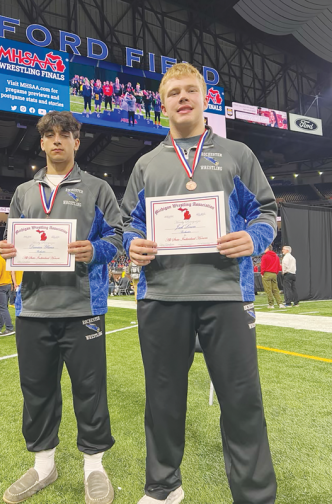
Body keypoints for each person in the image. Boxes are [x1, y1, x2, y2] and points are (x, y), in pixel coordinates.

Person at [121, 62, 277, 504]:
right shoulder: (147, 164)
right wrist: (133, 245)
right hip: (161, 295)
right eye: (174, 92)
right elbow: (130, 225)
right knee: (163, 400)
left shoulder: (237, 154)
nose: (183, 97)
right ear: (163, 103)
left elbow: (266, 212)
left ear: (204, 98)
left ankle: (255, 497)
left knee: (242, 402)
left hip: (226, 294)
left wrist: (253, 237)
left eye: (191, 90)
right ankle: (163, 488)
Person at [0, 111, 122, 504]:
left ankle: (94, 466)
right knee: (36, 389)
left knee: (90, 389)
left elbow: (117, 236)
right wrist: (5, 249)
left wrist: (95, 249)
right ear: (41, 143)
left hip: (82, 304)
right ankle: (43, 464)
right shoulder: (23, 192)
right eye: (49, 135)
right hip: (33, 307)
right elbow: (11, 240)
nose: (56, 141)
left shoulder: (98, 188)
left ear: (76, 142)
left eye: (64, 135)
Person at [261, 245, 285, 309]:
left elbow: (263, 266)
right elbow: (278, 266)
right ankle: (280, 303)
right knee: (275, 289)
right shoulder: (276, 257)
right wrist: (276, 272)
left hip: (267, 273)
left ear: (268, 248)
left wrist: (262, 273)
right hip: (274, 274)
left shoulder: (265, 256)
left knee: (268, 290)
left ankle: (271, 304)